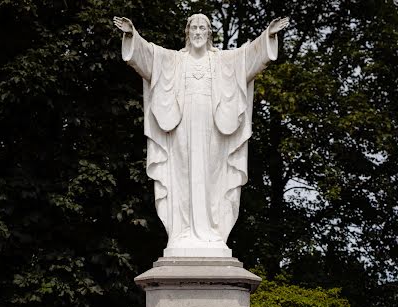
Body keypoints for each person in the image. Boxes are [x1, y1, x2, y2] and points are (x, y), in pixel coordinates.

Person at [113, 13, 289, 257]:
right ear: (187, 32)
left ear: (209, 33)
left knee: (213, 177)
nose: (197, 32)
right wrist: (133, 36)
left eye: (202, 28)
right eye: (193, 28)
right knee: (182, 177)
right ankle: (182, 232)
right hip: (181, 127)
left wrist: (267, 36)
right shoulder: (174, 60)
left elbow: (248, 57)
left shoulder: (222, 61)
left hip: (213, 127)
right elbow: (149, 58)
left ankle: (212, 232)